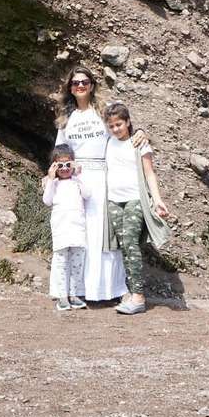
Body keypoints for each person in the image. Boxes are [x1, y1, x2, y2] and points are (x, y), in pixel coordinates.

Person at [53, 65, 146, 303]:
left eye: (85, 82)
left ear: (92, 85)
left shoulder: (102, 111)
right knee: (79, 232)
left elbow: (123, 131)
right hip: (75, 179)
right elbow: (60, 151)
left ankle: (108, 289)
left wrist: (141, 133)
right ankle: (78, 289)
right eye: (75, 83)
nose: (80, 86)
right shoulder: (66, 118)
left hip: (103, 176)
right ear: (70, 88)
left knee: (102, 234)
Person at [103, 100, 170, 315]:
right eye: (111, 126)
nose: (115, 129)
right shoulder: (108, 142)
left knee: (132, 244)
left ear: (128, 122)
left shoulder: (139, 143)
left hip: (134, 199)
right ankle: (130, 293)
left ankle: (139, 296)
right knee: (124, 246)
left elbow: (150, 173)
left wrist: (157, 200)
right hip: (114, 200)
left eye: (119, 124)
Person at [42, 143, 91, 312]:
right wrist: (50, 178)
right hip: (61, 229)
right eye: (59, 165)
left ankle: (75, 294)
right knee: (61, 263)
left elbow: (87, 194)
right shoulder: (52, 184)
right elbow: (47, 201)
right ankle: (61, 295)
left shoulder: (77, 182)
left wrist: (78, 175)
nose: (64, 169)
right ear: (54, 165)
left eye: (67, 164)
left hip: (77, 228)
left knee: (77, 262)